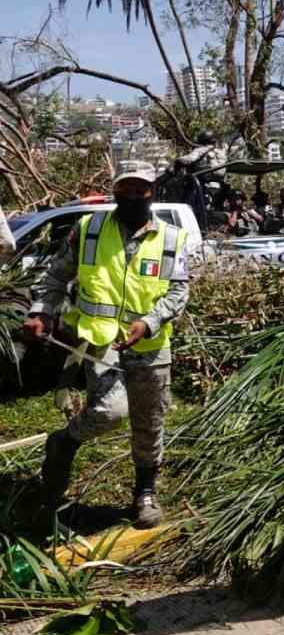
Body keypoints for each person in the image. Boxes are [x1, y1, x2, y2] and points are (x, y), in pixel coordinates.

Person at [21, 161, 189, 529]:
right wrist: (41, 312)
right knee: (111, 412)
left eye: (140, 189)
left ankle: (144, 493)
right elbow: (55, 277)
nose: (133, 196)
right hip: (101, 341)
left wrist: (149, 322)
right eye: (125, 189)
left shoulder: (171, 238)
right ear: (115, 191)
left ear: (152, 192)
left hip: (151, 345)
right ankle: (66, 440)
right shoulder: (89, 230)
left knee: (150, 421)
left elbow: (179, 291)